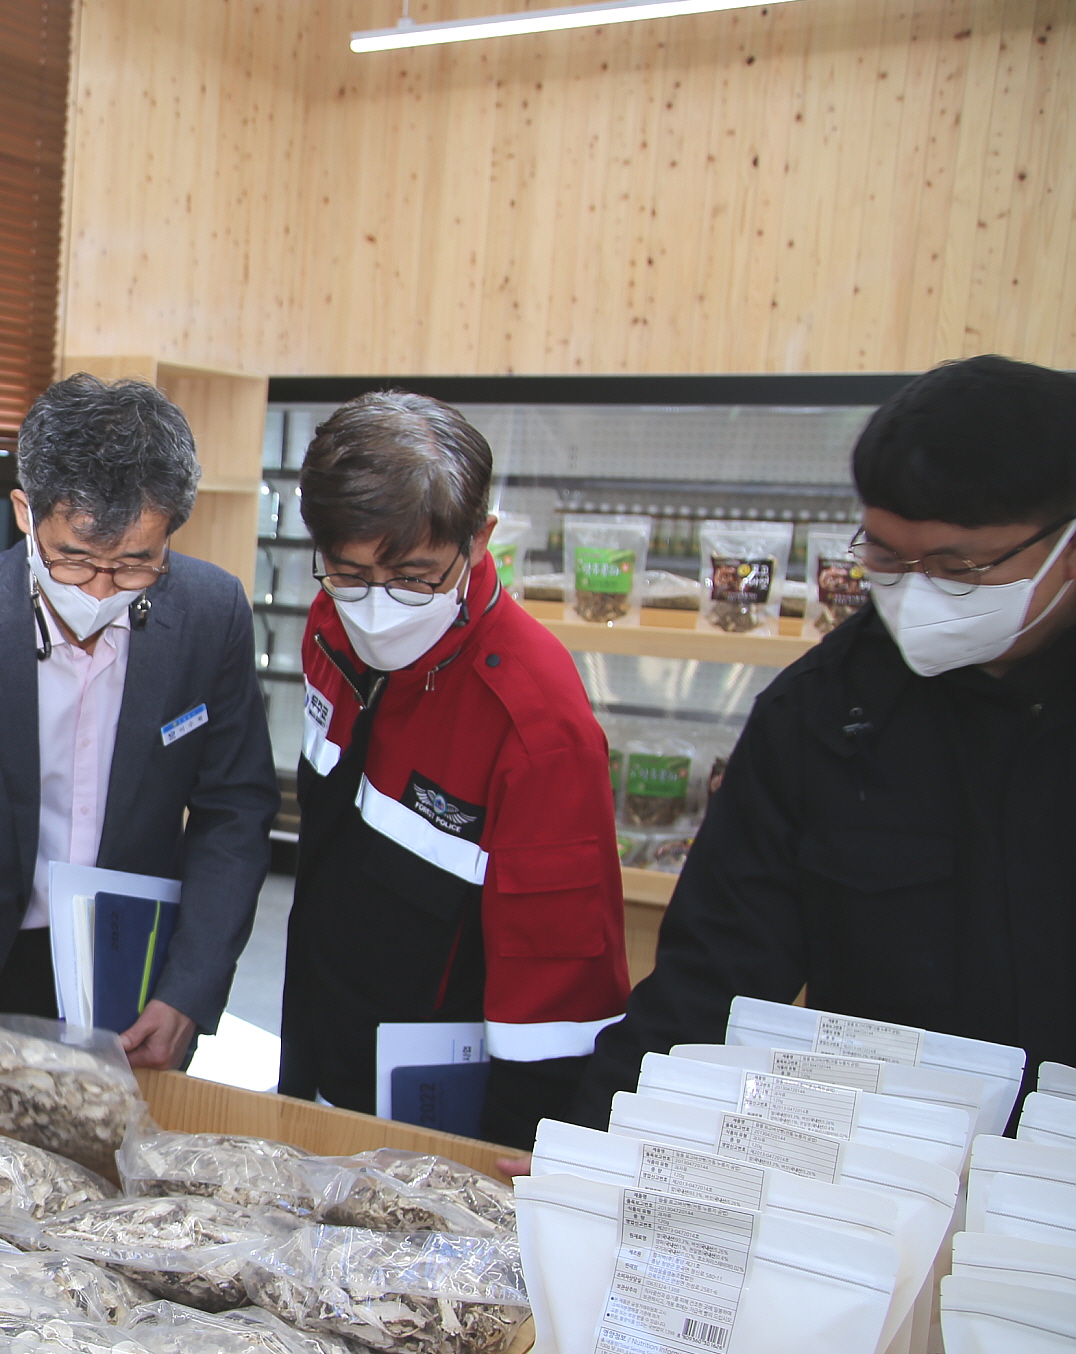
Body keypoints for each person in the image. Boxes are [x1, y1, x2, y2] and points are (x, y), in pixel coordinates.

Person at [574, 355, 1076, 1115]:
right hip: (890, 1172)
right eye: (884, 556)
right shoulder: (823, 716)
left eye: (956, 568)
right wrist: (601, 1135)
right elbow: (712, 977)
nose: (913, 593)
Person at [0, 375, 276, 1070]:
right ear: (22, 511)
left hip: (130, 967)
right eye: (73, 559)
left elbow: (234, 811)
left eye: (134, 564)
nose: (99, 589)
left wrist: (189, 986)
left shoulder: (211, 616)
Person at [281, 393, 627, 1147]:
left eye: (415, 577)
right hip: (323, 1050)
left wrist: (505, 1161)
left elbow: (558, 996)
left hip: (442, 1114)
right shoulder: (328, 622)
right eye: (349, 572)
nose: (378, 608)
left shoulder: (537, 726)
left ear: (480, 539)